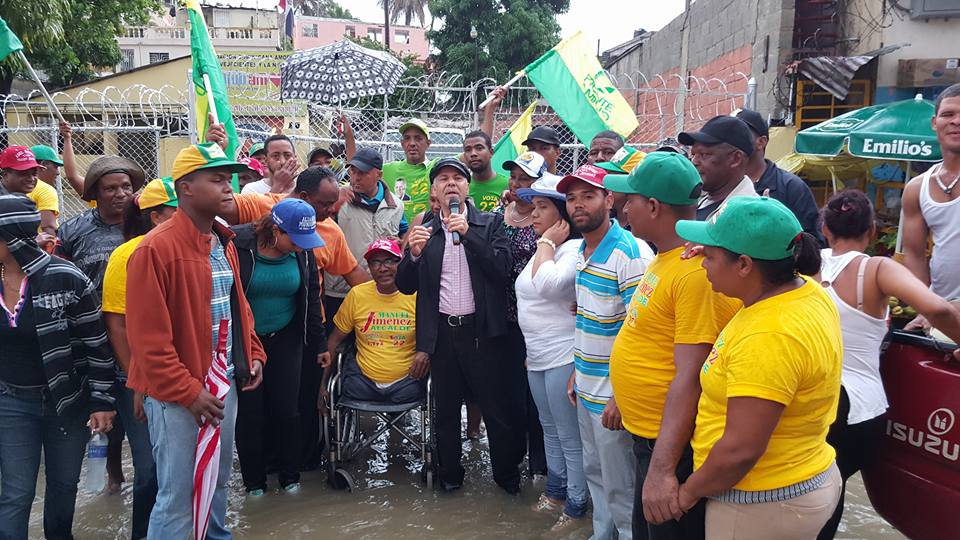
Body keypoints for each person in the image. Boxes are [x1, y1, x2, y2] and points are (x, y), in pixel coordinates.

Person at [674, 196, 842, 539]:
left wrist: (688, 493)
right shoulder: (804, 289)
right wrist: (716, 247)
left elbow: (740, 450)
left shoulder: (769, 335)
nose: (701, 263)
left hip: (761, 504)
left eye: (710, 256)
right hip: (806, 476)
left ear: (745, 265)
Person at [125, 143, 266, 539]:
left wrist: (252, 353)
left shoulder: (223, 241)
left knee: (216, 483)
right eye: (217, 179)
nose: (229, 189)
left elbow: (238, 308)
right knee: (178, 495)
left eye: (230, 180)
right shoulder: (154, 249)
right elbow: (147, 341)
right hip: (178, 391)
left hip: (223, 381)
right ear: (185, 188)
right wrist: (188, 392)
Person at [605, 152, 741, 539]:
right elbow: (649, 336)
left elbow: (693, 374)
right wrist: (622, 397)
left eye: (630, 199)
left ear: (652, 205)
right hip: (648, 435)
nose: (624, 206)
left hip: (673, 449)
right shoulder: (666, 258)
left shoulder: (696, 274)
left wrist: (663, 469)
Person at [816, 189, 960, 538]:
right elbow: (939, 309)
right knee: (829, 500)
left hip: (811, 402)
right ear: (871, 232)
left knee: (810, 502)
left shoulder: (809, 264)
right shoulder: (875, 268)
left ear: (825, 229)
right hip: (860, 410)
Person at [226, 166, 371, 471]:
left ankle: (297, 472)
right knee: (253, 409)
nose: (332, 210)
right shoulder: (258, 217)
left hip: (297, 329)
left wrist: (388, 297)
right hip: (247, 336)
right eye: (325, 204)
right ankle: (256, 474)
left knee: (294, 405)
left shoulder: (326, 232)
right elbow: (221, 206)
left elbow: (349, 276)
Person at [396, 157, 524, 493]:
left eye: (457, 178)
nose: (451, 183)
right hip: (441, 336)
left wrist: (469, 237)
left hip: (483, 336)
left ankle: (507, 481)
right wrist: (414, 253)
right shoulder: (425, 226)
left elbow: (502, 272)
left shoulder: (489, 223)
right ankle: (450, 480)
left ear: (467, 188)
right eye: (443, 179)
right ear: (434, 191)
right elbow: (405, 286)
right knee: (446, 415)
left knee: (496, 413)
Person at [0, 195, 116, 540]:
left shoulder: (65, 278)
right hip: (10, 401)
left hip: (67, 401)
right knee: (16, 492)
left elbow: (96, 343)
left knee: (64, 485)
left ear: (13, 236)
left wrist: (102, 401)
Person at [557, 163, 655, 540]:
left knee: (624, 489)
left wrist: (621, 395)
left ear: (610, 200)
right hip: (586, 389)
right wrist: (576, 374)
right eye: (571, 198)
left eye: (588, 195)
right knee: (596, 474)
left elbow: (643, 333)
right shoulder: (582, 251)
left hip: (615, 398)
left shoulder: (631, 255)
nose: (577, 205)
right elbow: (590, 320)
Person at [232, 198, 326, 496]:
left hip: (286, 335)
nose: (301, 246)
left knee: (288, 409)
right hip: (246, 339)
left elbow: (311, 296)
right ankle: (254, 482)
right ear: (274, 230)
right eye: (295, 239)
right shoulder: (238, 244)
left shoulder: (304, 252)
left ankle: (290, 477)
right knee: (251, 413)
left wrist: (319, 342)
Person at [101, 179, 178, 539]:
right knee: (150, 469)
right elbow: (117, 324)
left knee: (177, 469)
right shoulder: (128, 254)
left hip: (180, 374)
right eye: (174, 211)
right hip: (138, 378)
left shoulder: (198, 248)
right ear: (154, 216)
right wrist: (138, 378)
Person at [514, 175, 588, 533]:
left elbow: (550, 285)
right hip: (538, 357)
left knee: (568, 434)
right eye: (534, 206)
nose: (534, 212)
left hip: (563, 355)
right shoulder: (543, 250)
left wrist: (546, 242)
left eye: (543, 207)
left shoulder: (572, 250)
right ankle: (557, 492)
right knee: (549, 430)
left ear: (563, 216)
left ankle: (576, 504)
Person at [321, 238, 425, 404]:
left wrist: (425, 352)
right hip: (362, 383)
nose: (382, 268)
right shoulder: (357, 295)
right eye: (375, 263)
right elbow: (334, 340)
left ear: (401, 262)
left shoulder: (416, 294)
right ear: (369, 267)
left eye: (389, 261)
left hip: (407, 383)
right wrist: (323, 385)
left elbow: (434, 335)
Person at [497, 150, 549, 478]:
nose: (517, 184)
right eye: (514, 177)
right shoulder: (498, 212)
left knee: (537, 399)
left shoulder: (550, 221)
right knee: (509, 393)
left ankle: (542, 467)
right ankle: (512, 462)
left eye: (525, 179)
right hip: (503, 319)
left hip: (538, 321)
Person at [324, 148, 406, 327]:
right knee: (336, 341)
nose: (355, 177)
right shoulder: (338, 199)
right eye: (352, 171)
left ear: (379, 174)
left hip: (378, 290)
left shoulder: (396, 206)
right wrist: (334, 206)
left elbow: (403, 231)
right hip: (340, 289)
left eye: (362, 172)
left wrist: (401, 244)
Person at [902, 82, 960, 303]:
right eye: (948, 114)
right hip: (941, 316)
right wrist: (927, 306)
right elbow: (914, 254)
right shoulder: (917, 188)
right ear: (935, 123)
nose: (956, 121)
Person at [56, 155, 145, 294]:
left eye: (126, 186)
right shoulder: (70, 230)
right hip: (90, 313)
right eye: (111, 189)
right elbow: (60, 280)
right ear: (95, 193)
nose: (121, 194)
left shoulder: (148, 226)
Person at [736, 109, 823, 244]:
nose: (733, 140)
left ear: (761, 142)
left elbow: (813, 244)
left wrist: (775, 227)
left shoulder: (791, 187)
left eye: (741, 134)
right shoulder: (724, 183)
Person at [678, 115, 757, 220]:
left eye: (704, 154)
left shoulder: (749, 215)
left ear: (736, 159)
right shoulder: (698, 202)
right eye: (693, 155)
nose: (694, 162)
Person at [381, 118, 437, 221]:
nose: (412, 143)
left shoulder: (436, 167)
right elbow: (358, 171)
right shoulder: (388, 169)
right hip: (397, 234)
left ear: (428, 143)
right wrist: (349, 135)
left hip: (428, 233)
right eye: (407, 138)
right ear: (402, 143)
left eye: (418, 138)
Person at [0, 146, 57, 236]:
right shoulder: (10, 203)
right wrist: (35, 243)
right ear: (6, 175)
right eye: (24, 174)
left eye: (34, 174)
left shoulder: (20, 198)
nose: (31, 179)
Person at [463, 130, 509, 211]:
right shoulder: (461, 186)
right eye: (468, 150)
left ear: (491, 152)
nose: (473, 153)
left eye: (479, 148)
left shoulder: (508, 185)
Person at [28, 144, 64, 233]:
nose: (58, 173)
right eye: (55, 166)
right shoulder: (45, 190)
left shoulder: (10, 188)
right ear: (43, 165)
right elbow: (48, 229)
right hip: (38, 245)